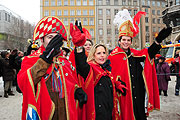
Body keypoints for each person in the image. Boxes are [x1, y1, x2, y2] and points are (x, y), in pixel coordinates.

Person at [17, 16, 87, 120]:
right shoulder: (31, 59)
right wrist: (45, 59)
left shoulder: (63, 61)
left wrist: (77, 90)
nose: (54, 41)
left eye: (56, 38)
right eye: (50, 37)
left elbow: (70, 82)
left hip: (65, 113)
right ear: (42, 39)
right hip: (45, 113)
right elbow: (23, 84)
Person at [108, 9, 172, 120]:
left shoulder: (135, 54)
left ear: (131, 42)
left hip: (139, 94)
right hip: (124, 95)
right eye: (124, 40)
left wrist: (158, 40)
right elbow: (109, 75)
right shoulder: (113, 57)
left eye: (128, 40)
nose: (126, 42)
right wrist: (116, 83)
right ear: (119, 41)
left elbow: (149, 54)